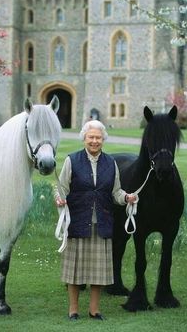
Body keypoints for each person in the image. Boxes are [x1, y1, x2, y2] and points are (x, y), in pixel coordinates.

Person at [54, 120, 137, 321]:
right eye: (91, 137)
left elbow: (116, 192)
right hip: (77, 221)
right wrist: (59, 198)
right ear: (84, 138)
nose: (94, 141)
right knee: (74, 272)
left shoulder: (111, 163)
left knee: (98, 272)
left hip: (102, 223)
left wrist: (126, 198)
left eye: (98, 137)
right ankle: (73, 310)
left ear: (103, 140)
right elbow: (61, 187)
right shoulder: (71, 160)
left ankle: (94, 310)